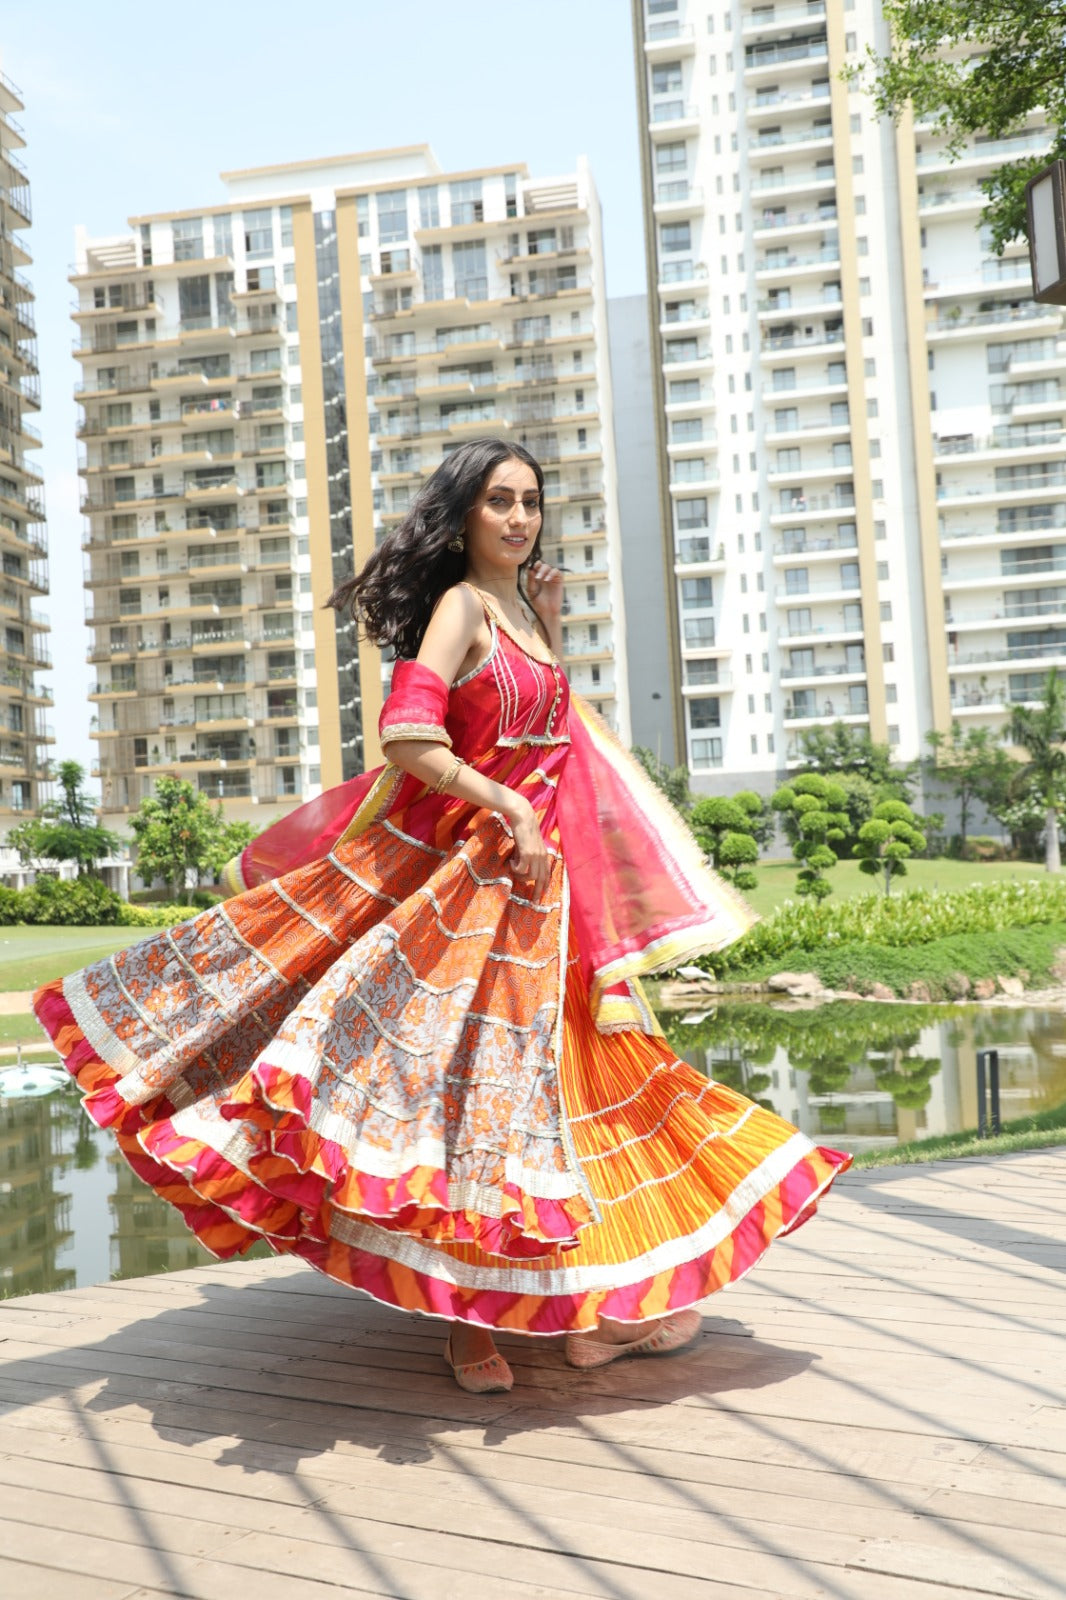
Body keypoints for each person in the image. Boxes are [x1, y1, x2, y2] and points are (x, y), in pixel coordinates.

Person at [34, 439, 849, 1395]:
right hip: (461, 894)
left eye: (531, 501)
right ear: (463, 514)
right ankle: (468, 1330)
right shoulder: (462, 608)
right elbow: (408, 736)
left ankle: (597, 1316)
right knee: (458, 1101)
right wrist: (503, 808)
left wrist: (546, 626)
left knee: (566, 1100)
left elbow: (551, 748)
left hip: (543, 904)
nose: (518, 517)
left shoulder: (524, 614)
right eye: (499, 501)